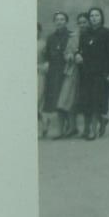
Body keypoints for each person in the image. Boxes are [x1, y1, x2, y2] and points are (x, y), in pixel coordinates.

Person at [75, 7, 109, 141]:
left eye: (97, 15)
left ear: (101, 17)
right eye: (92, 16)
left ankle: (92, 131)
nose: (94, 18)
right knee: (86, 101)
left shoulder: (107, 33)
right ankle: (88, 128)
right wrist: (77, 55)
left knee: (96, 101)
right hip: (86, 71)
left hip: (101, 72)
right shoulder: (85, 34)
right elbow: (80, 50)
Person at [41, 11, 73, 139]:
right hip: (54, 73)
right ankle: (61, 129)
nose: (59, 21)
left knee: (67, 99)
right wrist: (46, 62)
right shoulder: (51, 38)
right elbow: (47, 55)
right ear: (54, 22)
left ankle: (71, 127)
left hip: (67, 71)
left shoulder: (71, 36)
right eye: (57, 19)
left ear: (66, 21)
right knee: (57, 100)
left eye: (62, 19)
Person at [57, 11, 88, 137]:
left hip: (87, 71)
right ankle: (72, 127)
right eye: (79, 23)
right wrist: (70, 56)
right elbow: (67, 52)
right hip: (73, 71)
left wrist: (84, 57)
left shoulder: (93, 35)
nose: (82, 25)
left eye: (84, 22)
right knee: (66, 99)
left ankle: (88, 128)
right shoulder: (73, 37)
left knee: (86, 100)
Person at [37, 22, 48, 137]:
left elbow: (48, 60)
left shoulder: (43, 44)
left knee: (38, 101)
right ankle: (43, 124)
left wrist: (44, 66)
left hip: (39, 74)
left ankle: (43, 126)